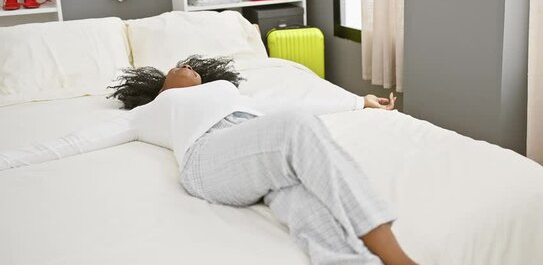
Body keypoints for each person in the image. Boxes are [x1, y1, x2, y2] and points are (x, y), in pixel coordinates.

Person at [9, 55, 418, 265]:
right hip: (208, 160)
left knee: (300, 198)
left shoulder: (227, 90)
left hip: (257, 148)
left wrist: (357, 102)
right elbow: (74, 141)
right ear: (159, 85)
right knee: (294, 126)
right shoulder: (149, 111)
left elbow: (290, 98)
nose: (184, 65)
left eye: (191, 64)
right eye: (175, 66)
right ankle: (396, 256)